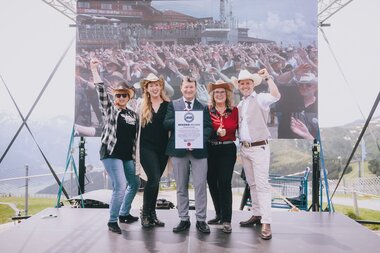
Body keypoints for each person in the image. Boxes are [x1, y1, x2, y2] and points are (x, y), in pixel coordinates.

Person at [90, 59, 140, 234]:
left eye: (123, 95)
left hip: (127, 155)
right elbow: (100, 90)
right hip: (111, 153)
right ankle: (112, 220)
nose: (120, 98)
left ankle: (124, 213)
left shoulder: (133, 114)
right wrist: (94, 69)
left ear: (128, 97)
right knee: (120, 185)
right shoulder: (110, 109)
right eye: (118, 95)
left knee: (134, 183)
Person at [163, 76, 212, 234]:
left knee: (200, 186)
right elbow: (166, 124)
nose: (189, 90)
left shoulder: (203, 106)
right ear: (181, 88)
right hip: (178, 150)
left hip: (199, 151)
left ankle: (201, 220)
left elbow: (208, 128)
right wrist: (181, 117)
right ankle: (183, 219)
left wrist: (196, 140)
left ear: (195, 88)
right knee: (181, 187)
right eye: (186, 87)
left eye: (191, 87)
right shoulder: (173, 105)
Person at [237, 69, 281, 240]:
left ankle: (267, 222)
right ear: (239, 86)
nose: (245, 86)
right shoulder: (240, 105)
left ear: (253, 84)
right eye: (242, 83)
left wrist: (268, 78)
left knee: (262, 185)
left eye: (248, 83)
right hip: (245, 148)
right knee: (253, 184)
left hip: (259, 147)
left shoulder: (261, 98)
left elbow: (276, 95)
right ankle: (257, 214)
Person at [137, 73, 170, 228]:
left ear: (161, 86)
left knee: (156, 181)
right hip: (146, 148)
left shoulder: (168, 105)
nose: (155, 88)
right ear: (147, 88)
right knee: (153, 178)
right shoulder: (141, 105)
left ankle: (152, 215)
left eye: (157, 84)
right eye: (151, 85)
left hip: (163, 149)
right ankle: (145, 213)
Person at [206, 80, 239, 233]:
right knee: (212, 181)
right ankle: (219, 214)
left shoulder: (235, 111)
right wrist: (215, 133)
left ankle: (226, 219)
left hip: (227, 149)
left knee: (224, 182)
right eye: (216, 92)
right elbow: (204, 130)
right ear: (213, 95)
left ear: (227, 95)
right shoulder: (207, 111)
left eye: (222, 92)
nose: (219, 94)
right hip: (211, 148)